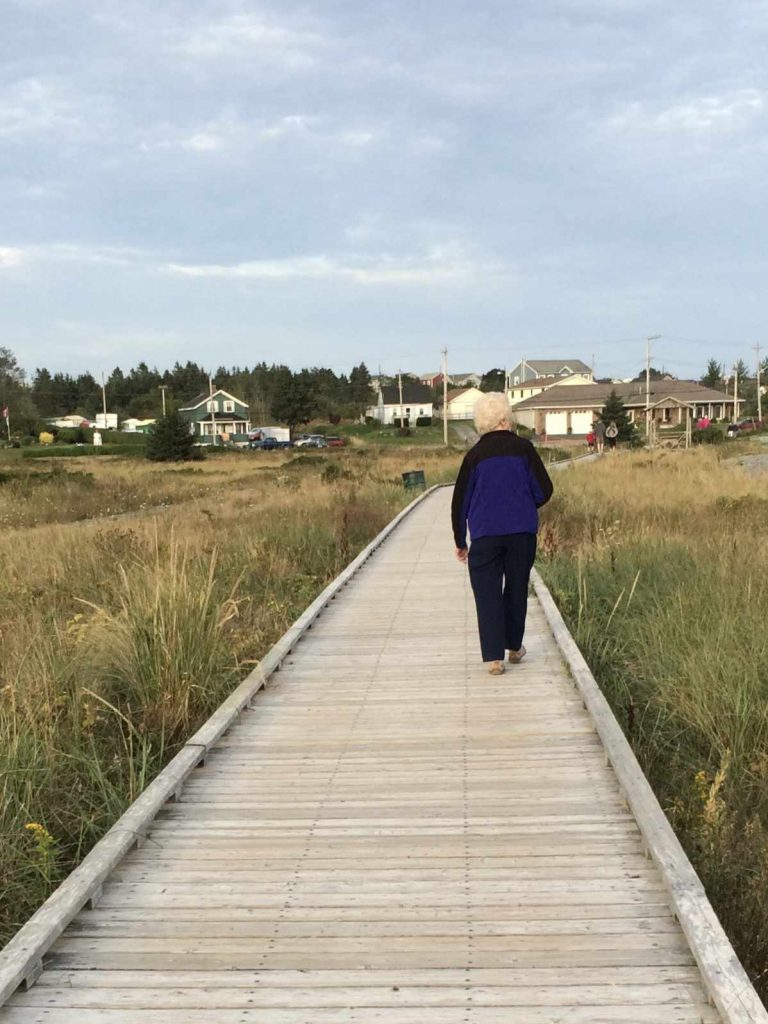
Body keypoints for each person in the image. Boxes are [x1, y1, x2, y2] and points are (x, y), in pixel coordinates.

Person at [451, 393, 554, 676]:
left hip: (485, 535)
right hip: (521, 532)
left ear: (481, 423)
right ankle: (514, 647)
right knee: (516, 588)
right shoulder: (524, 449)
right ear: (506, 419)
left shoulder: (473, 456)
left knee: (487, 593)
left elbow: (460, 501)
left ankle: (494, 659)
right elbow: (544, 489)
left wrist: (461, 541)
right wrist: (523, 502)